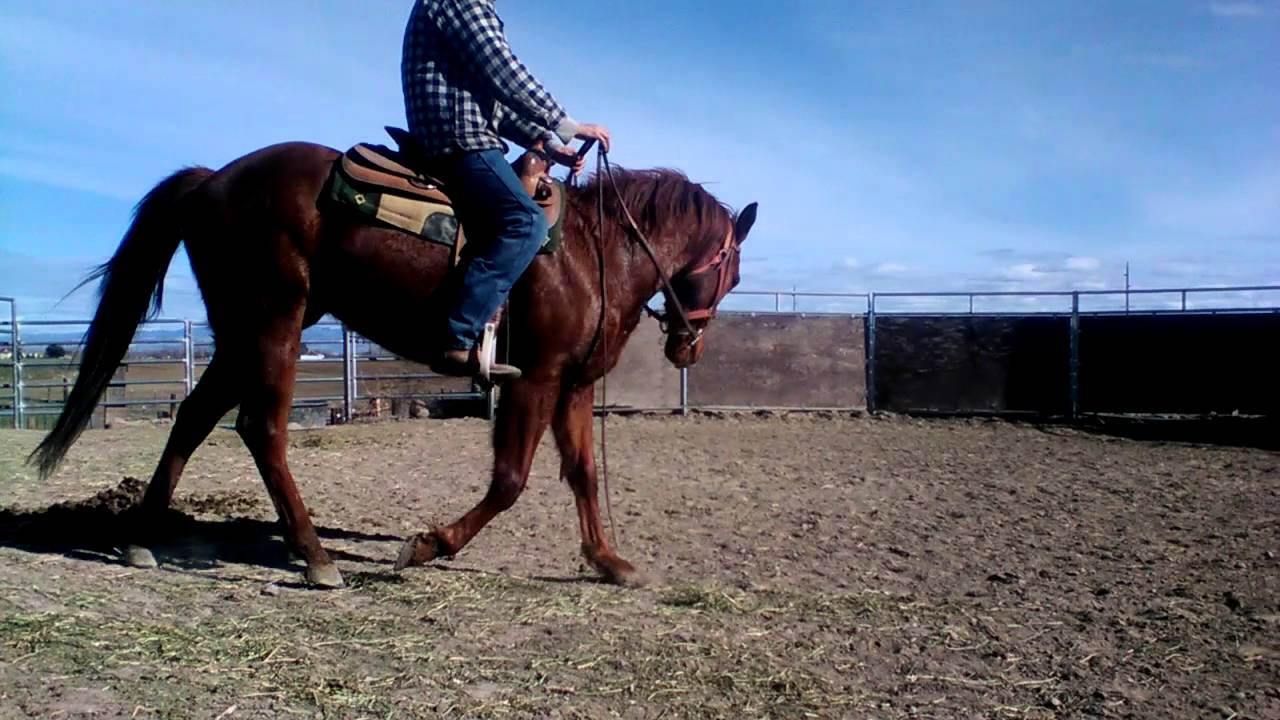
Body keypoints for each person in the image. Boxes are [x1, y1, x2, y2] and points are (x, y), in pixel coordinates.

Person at [402, 0, 611, 381]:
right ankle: (458, 336)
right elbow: (503, 71)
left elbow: (493, 97)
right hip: (459, 137)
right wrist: (567, 124)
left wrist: (547, 144)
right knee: (526, 223)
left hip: (461, 129)